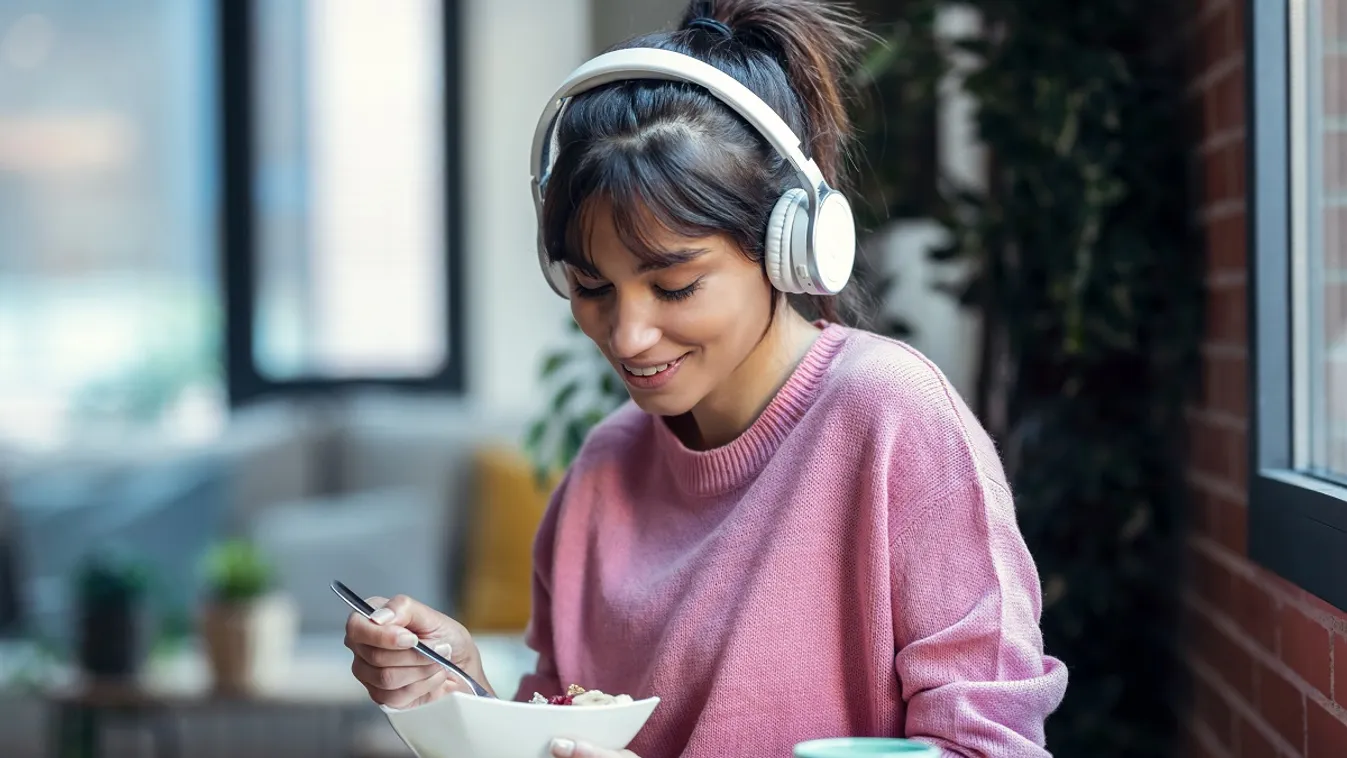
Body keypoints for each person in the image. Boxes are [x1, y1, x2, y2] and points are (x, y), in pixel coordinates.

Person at [342, 0, 1068, 756]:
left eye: (675, 285)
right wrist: (462, 697)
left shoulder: (892, 420)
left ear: (789, 246)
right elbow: (566, 732)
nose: (626, 335)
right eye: (592, 288)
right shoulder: (599, 475)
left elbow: (992, 750)